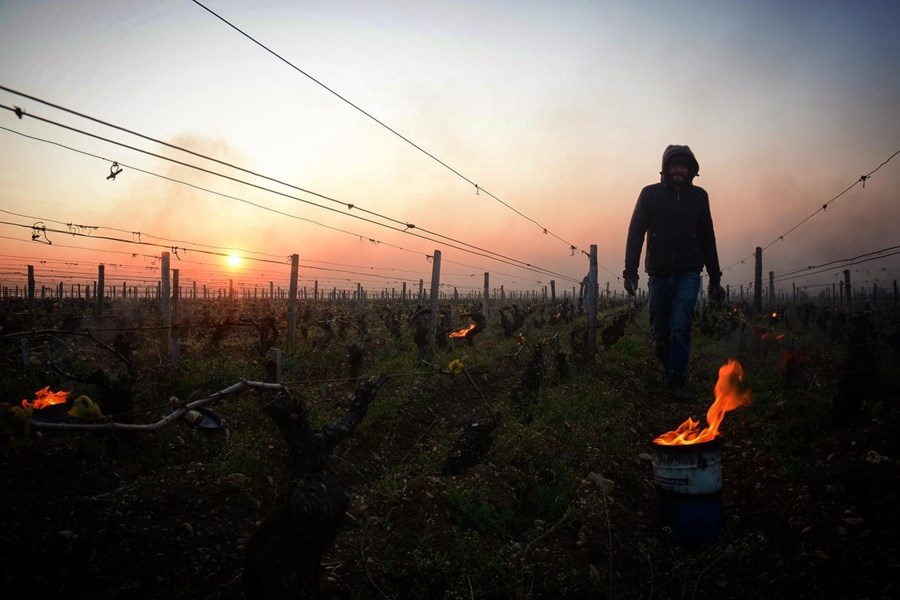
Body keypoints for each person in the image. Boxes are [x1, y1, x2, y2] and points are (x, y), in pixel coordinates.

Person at [623, 144, 726, 400]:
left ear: (691, 170)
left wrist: (715, 277)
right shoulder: (649, 195)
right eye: (674, 165)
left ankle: (676, 378)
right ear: (666, 168)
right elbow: (636, 232)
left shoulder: (699, 197)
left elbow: (707, 237)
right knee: (660, 330)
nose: (679, 169)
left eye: (684, 165)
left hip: (689, 274)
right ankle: (668, 364)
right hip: (658, 274)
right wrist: (630, 271)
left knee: (681, 326)